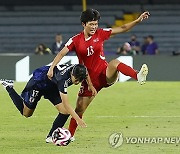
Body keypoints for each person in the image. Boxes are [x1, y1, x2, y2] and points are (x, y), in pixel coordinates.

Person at [47, 8, 150, 140]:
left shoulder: (101, 34)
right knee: (79, 109)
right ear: (84, 24)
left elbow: (123, 28)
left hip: (105, 74)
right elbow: (62, 53)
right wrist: (52, 68)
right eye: (91, 24)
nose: (94, 27)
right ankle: (70, 136)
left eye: (96, 24)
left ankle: (138, 76)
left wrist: (137, 20)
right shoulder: (75, 40)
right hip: (89, 80)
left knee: (114, 63)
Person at [0, 64, 89, 143]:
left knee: (65, 111)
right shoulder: (63, 80)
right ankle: (9, 86)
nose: (77, 82)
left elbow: (86, 74)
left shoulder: (78, 69)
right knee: (26, 113)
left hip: (52, 86)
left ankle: (51, 136)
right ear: (71, 74)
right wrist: (78, 119)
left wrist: (91, 86)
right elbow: (67, 104)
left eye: (80, 80)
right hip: (39, 83)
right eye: (76, 79)